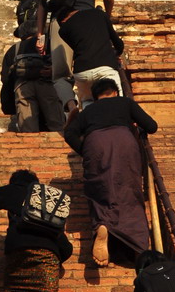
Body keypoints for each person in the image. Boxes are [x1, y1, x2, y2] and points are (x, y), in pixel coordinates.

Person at [65, 80, 157, 265]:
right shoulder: (125, 103)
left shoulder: (88, 111)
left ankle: (102, 224)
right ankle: (139, 246)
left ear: (95, 97)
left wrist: (86, 150)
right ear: (115, 92)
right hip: (123, 141)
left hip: (95, 145)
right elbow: (151, 126)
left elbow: (69, 133)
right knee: (129, 192)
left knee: (100, 191)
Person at [0, 21, 65, 133]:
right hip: (46, 84)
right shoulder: (46, 44)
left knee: (28, 127)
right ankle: (59, 141)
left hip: (22, 86)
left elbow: (5, 78)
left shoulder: (14, 49)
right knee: (56, 123)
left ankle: (30, 141)